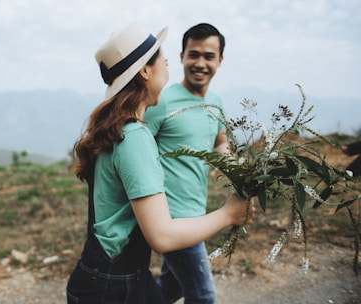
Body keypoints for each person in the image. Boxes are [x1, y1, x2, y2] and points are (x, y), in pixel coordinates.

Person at [66, 24, 255, 303]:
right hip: (111, 287)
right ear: (145, 71)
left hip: (119, 276)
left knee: (169, 290)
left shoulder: (121, 129)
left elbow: (219, 143)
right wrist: (228, 215)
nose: (167, 66)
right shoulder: (135, 137)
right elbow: (163, 236)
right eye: (164, 60)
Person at [143, 23, 228, 303]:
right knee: (203, 296)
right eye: (194, 55)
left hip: (196, 215)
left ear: (219, 60)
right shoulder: (162, 101)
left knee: (172, 287)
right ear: (181, 57)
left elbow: (219, 143)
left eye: (208, 56)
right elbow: (138, 149)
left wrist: (241, 172)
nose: (200, 63)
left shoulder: (215, 103)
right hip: (172, 218)